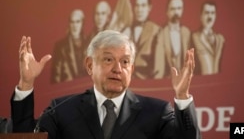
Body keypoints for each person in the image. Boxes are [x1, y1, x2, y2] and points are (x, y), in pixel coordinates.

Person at [11, 30, 201, 139]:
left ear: (132, 69)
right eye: (108, 60)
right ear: (89, 65)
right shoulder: (61, 110)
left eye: (125, 62)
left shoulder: (157, 112)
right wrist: (26, 83)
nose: (118, 69)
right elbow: (25, 138)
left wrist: (182, 97)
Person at [123, 0, 162, 79]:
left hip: (147, 81)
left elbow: (159, 67)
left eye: (143, 5)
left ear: (149, 7)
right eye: (137, 5)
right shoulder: (127, 30)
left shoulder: (156, 30)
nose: (139, 10)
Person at [155, 0, 191, 78]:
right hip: (167, 80)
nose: (176, 12)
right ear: (167, 11)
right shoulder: (161, 34)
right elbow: (159, 65)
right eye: (172, 9)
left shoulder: (187, 32)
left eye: (179, 8)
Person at [50, 9, 88, 83]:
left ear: (82, 23)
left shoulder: (90, 42)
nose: (75, 25)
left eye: (78, 22)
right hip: (68, 90)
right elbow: (56, 76)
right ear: (69, 24)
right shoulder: (60, 46)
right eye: (72, 22)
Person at [192, 1, 225, 75]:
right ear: (201, 16)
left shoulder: (220, 39)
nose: (210, 16)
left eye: (212, 13)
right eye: (207, 13)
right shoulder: (194, 37)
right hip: (201, 83)